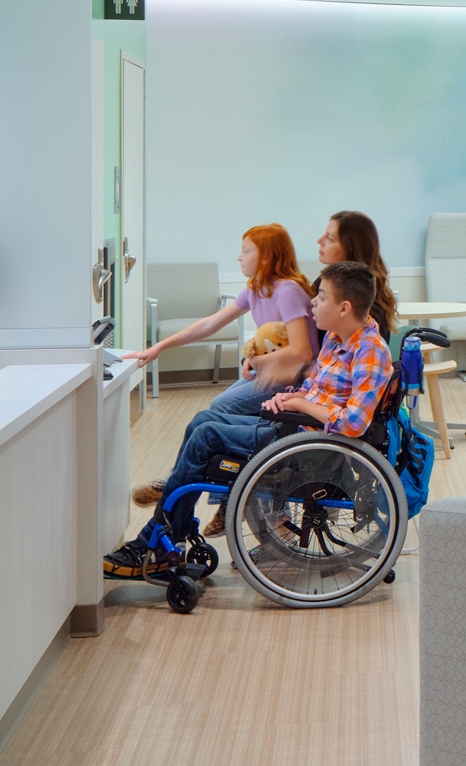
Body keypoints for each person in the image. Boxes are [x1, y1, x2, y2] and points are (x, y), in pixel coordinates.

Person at [107, 262, 396, 576]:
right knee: (203, 419)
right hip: (295, 429)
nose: (312, 302)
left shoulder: (369, 351)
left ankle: (158, 538)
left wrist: (301, 404)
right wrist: (291, 396)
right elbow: (316, 389)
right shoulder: (337, 339)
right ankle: (173, 530)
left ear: (344, 307)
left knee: (206, 437)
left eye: (321, 297)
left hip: (313, 449)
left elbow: (353, 423)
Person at [126, 225, 312, 513]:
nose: (239, 257)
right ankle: (188, 481)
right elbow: (209, 324)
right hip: (269, 373)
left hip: (295, 381)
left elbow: (302, 352)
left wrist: (257, 361)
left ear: (266, 257)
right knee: (214, 410)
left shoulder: (288, 290)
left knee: (221, 407)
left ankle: (223, 496)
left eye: (246, 251)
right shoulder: (256, 288)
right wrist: (160, 347)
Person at [316, 208, 399, 343]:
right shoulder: (326, 281)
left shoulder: (366, 298)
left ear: (351, 247)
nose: (319, 240)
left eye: (330, 238)